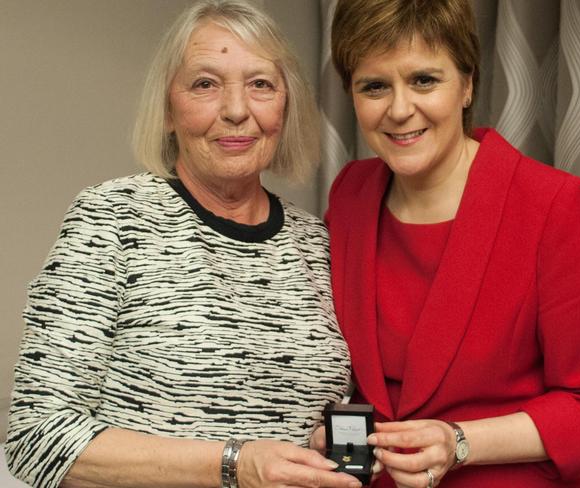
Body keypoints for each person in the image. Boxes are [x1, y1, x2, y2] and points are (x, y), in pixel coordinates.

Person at [5, 1, 361, 488]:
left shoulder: (319, 242)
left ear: (285, 106)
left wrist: (334, 448)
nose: (236, 111)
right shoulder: (113, 216)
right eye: (205, 84)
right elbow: (36, 437)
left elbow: (342, 414)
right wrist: (234, 464)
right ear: (169, 110)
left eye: (260, 84)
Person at [323, 0, 580, 487]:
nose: (400, 109)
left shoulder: (553, 203)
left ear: (467, 85)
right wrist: (336, 437)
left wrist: (459, 442)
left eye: (424, 80)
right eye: (375, 86)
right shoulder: (350, 194)